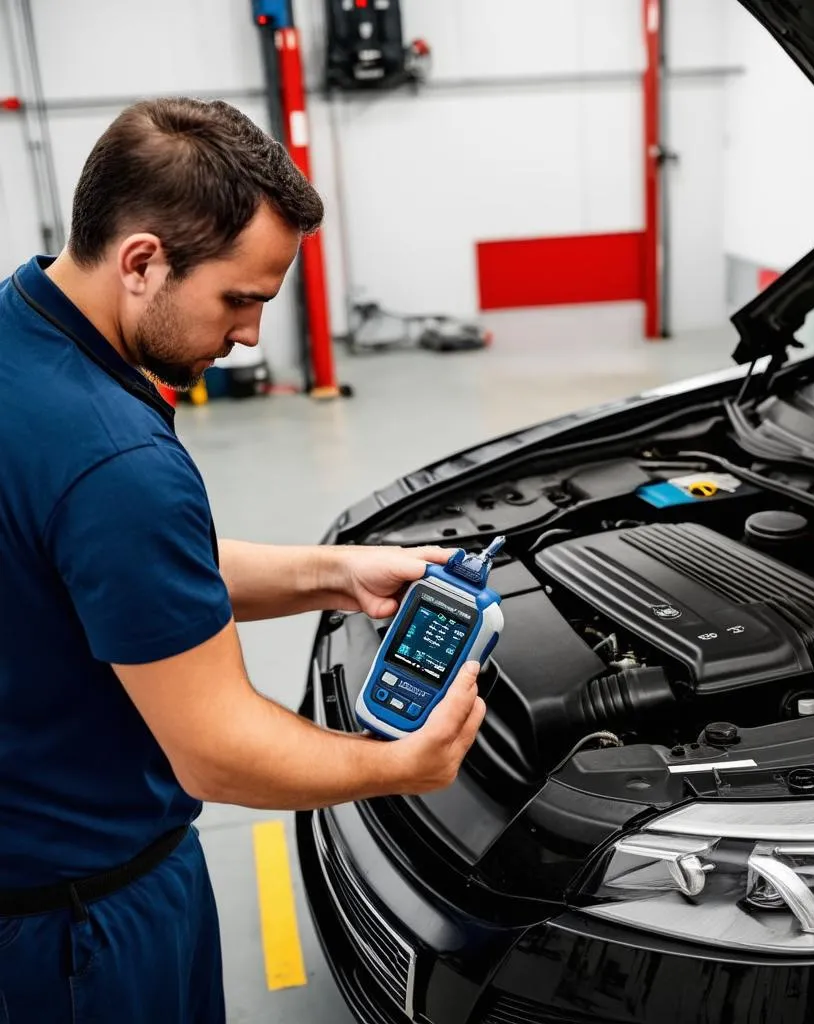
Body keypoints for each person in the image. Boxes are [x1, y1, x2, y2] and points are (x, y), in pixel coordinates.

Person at [0, 97, 485, 1023]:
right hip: (82, 931)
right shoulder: (116, 462)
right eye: (241, 298)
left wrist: (333, 574)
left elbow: (119, 571)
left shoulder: (18, 337)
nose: (254, 335)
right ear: (143, 261)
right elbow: (217, 754)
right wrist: (397, 766)